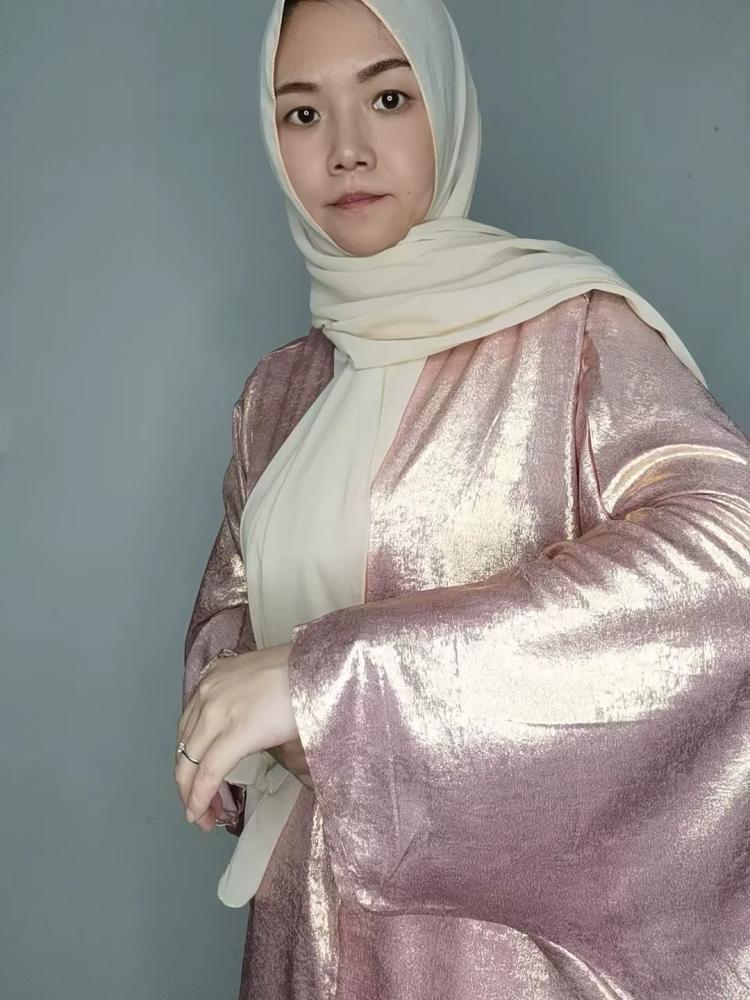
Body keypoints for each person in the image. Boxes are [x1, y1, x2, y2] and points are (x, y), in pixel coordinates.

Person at [174, 0, 750, 997]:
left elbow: (727, 555)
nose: (346, 150)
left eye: (388, 98)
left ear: (445, 104)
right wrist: (229, 706)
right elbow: (230, 609)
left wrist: (328, 685)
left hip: (491, 957)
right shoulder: (281, 392)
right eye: (303, 113)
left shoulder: (575, 336)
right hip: (302, 935)